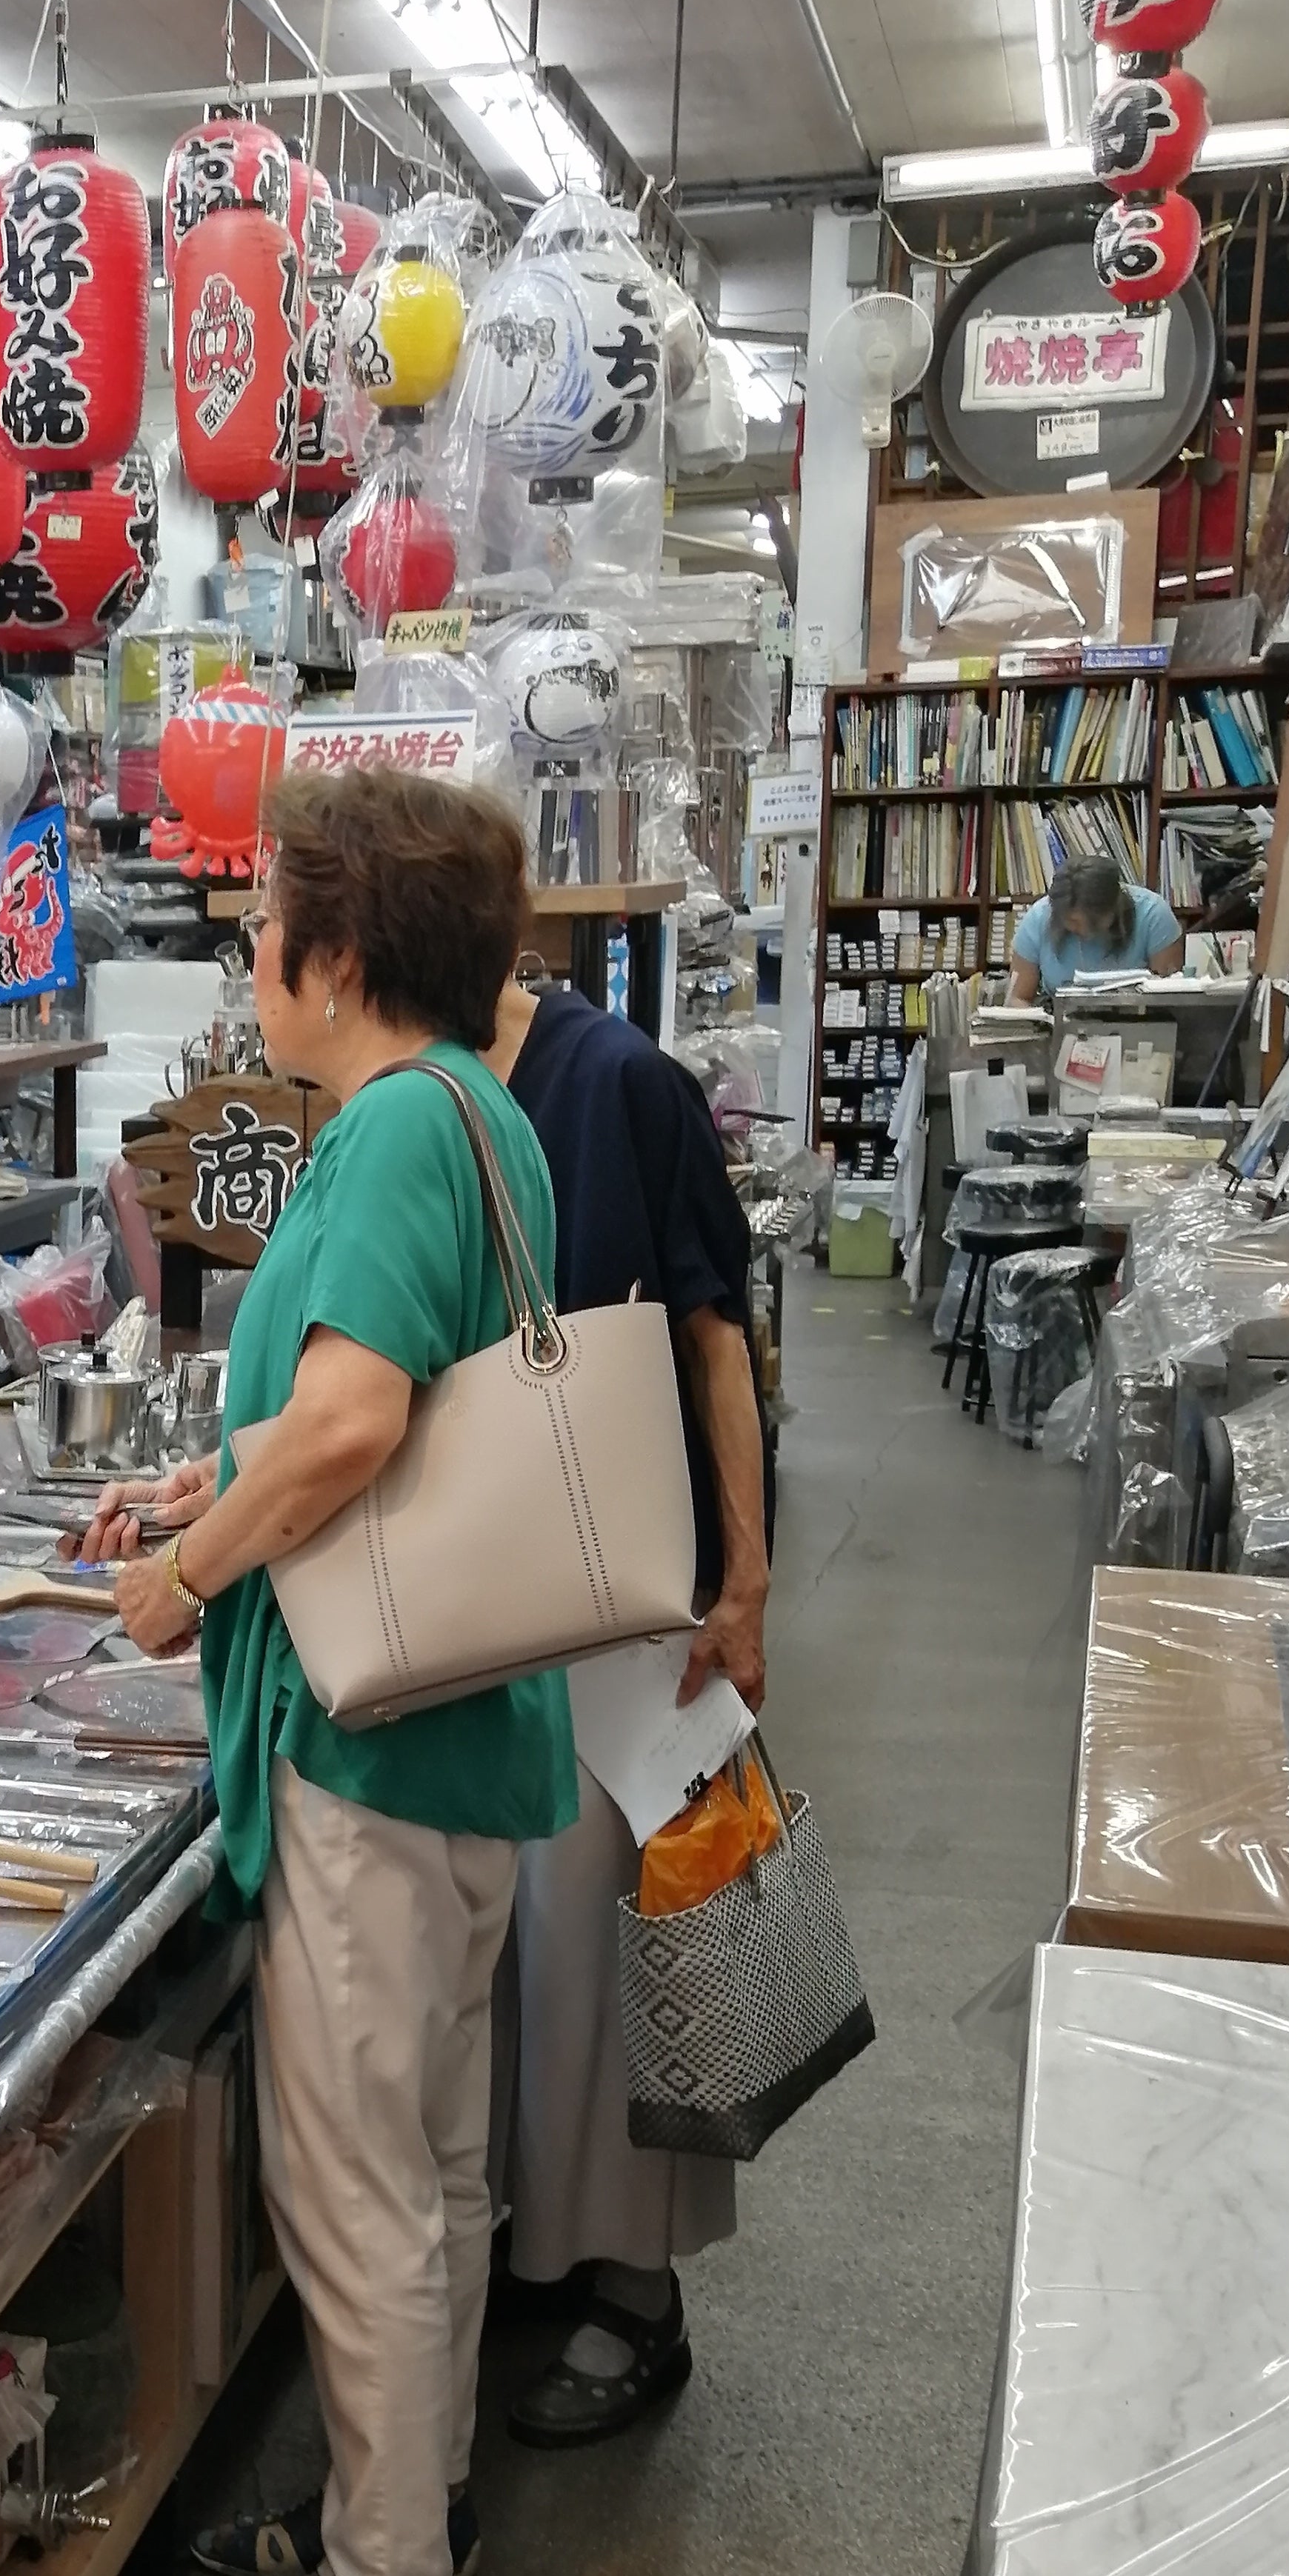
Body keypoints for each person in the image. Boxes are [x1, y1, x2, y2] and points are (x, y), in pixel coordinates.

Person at [82, 769, 579, 2576]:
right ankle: (413, 2506)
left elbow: (361, 1420)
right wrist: (211, 1477)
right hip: (469, 1723)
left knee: (353, 2186)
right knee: (434, 2167)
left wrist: (189, 1570)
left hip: (370, 1743)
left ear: (340, 952)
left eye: (260, 927)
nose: (249, 958)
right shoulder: (482, 1109)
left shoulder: (381, 1131)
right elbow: (383, 1410)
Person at [484, 964, 770, 2444]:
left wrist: (748, 1580)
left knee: (632, 1941)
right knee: (520, 1954)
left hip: (636, 1598)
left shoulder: (620, 1085)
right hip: (489, 1600)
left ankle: (640, 2292)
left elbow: (717, 1333)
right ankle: (544, 2242)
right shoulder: (416, 1093)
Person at [1007, 850, 1179, 1004]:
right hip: (1059, 1022)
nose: (1084, 930)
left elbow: (1169, 999)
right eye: (1072, 921)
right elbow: (1017, 998)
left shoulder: (1154, 914)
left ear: (1115, 905)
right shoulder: (1039, 916)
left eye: (1094, 921)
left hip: (1139, 1022)